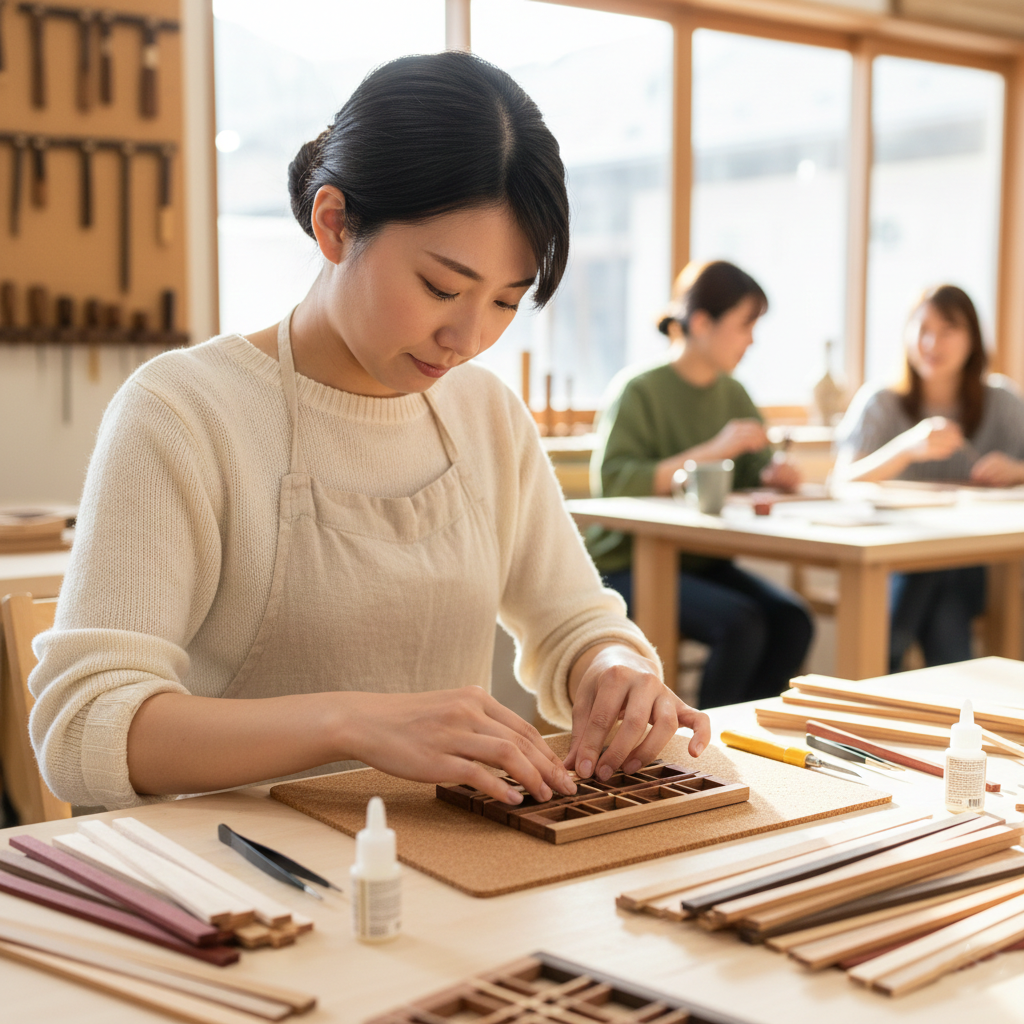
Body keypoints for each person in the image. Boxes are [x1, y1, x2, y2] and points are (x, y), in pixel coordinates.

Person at [29, 52, 710, 812]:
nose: (466, 338)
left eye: (504, 303)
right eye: (440, 287)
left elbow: (572, 621)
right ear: (334, 223)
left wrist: (611, 666)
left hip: (449, 863)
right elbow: (81, 726)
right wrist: (348, 723)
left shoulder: (483, 412)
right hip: (231, 880)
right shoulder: (184, 410)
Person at [587, 260, 814, 708]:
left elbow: (752, 475)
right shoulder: (638, 390)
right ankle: (706, 749)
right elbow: (614, 482)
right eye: (745, 325)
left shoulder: (734, 393)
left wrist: (776, 477)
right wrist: (714, 448)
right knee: (741, 624)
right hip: (628, 564)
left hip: (701, 563)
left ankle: (752, 739)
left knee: (793, 620)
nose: (752, 340)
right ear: (702, 322)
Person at [834, 284, 1024, 672]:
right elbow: (841, 481)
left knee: (941, 578)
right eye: (921, 329)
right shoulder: (882, 402)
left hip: (978, 566)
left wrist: (1018, 470)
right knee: (939, 598)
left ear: (972, 338)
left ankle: (877, 670)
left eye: (947, 329)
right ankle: (964, 711)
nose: (931, 342)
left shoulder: (1002, 402)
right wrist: (906, 448)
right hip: (893, 563)